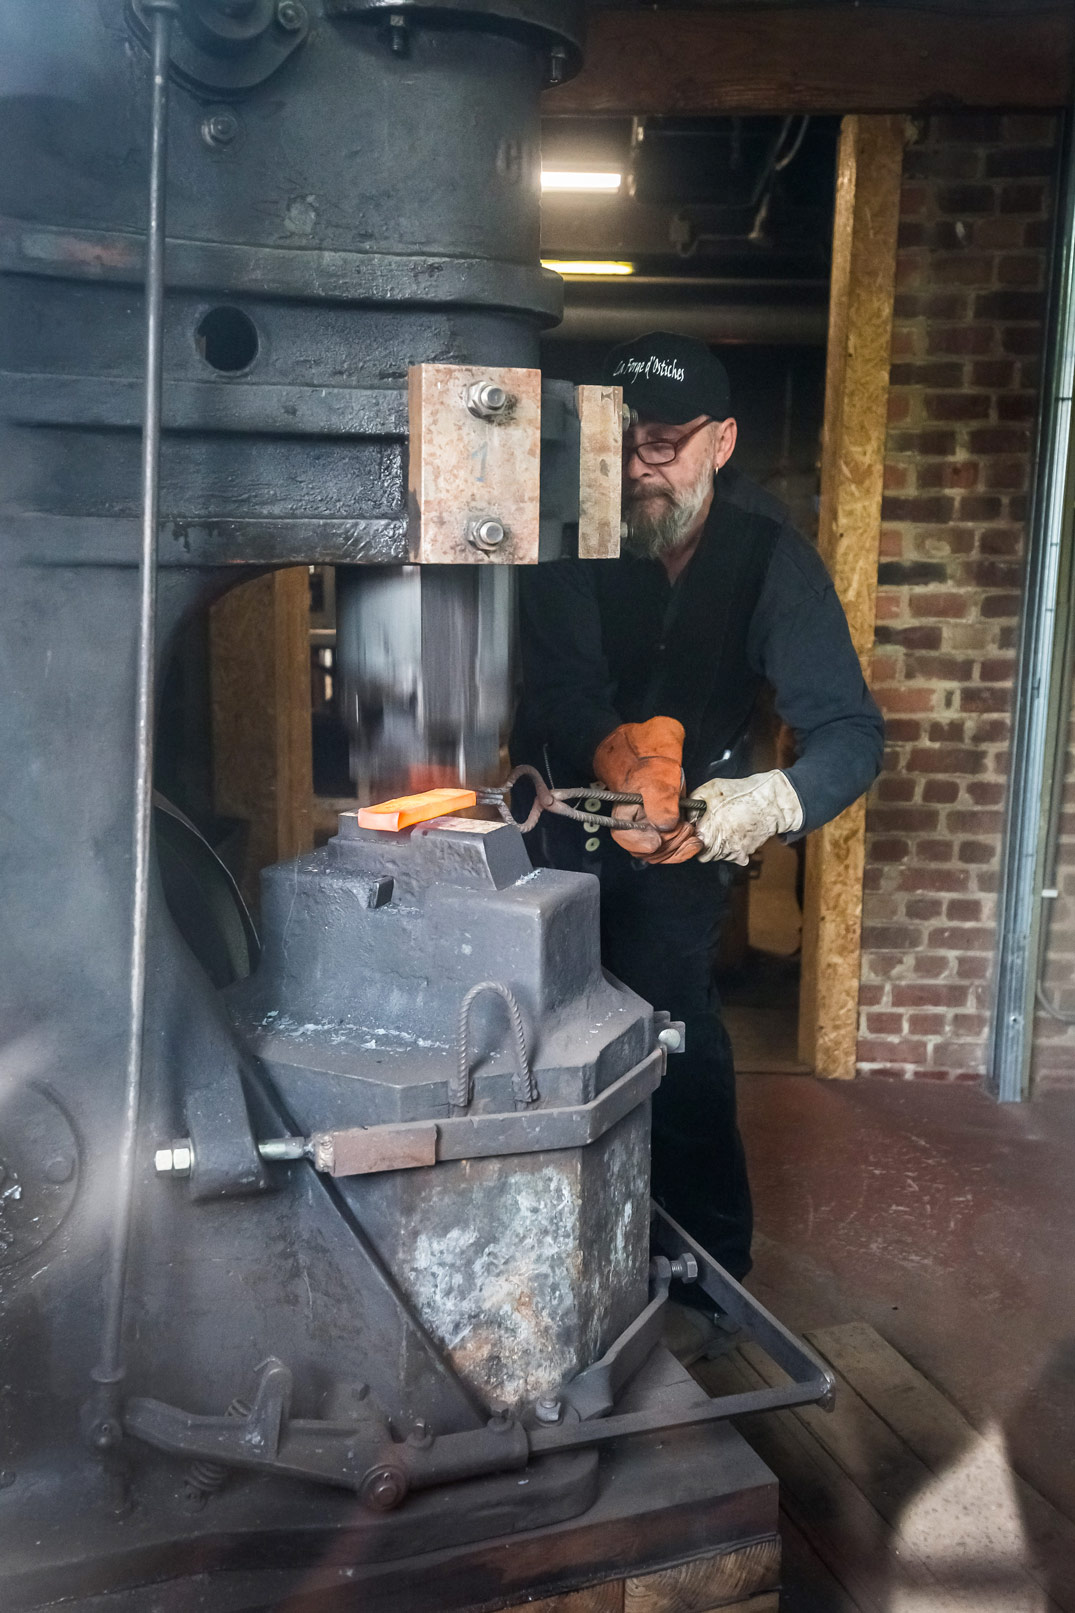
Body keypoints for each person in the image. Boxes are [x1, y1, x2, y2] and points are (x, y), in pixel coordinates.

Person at [510, 332, 884, 1281]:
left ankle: (709, 1271)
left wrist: (764, 802)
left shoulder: (770, 561)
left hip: (687, 837)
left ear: (720, 443)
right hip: (557, 823)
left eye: (665, 444)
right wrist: (623, 760)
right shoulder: (570, 531)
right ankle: (559, 1260)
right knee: (534, 1037)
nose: (640, 466)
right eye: (625, 441)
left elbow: (848, 731)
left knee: (674, 1029)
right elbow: (562, 687)